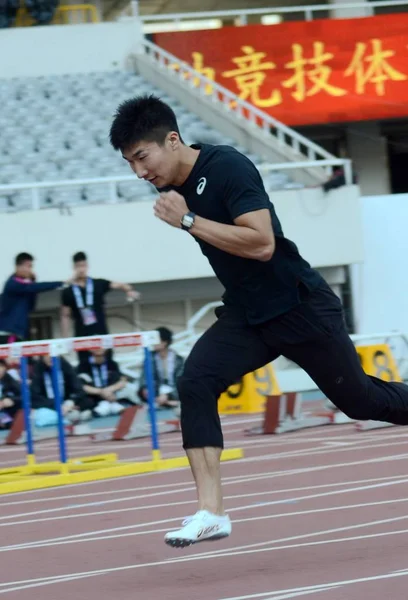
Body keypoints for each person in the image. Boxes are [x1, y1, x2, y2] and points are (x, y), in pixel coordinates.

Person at [109, 94, 408, 549]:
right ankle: (211, 512)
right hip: (248, 315)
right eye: (130, 162)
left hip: (299, 308)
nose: (139, 172)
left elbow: (262, 243)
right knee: (196, 381)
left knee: (362, 401)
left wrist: (189, 220)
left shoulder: (227, 167)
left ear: (172, 140)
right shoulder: (171, 187)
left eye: (141, 158)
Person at [60, 251, 140, 367]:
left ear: (87, 266)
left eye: (83, 266)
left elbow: (120, 285)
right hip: (82, 333)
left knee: (108, 363)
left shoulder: (98, 284)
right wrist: (65, 339)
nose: (81, 269)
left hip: (101, 331)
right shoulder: (68, 291)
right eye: (78, 266)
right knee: (84, 364)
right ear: (74, 268)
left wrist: (129, 290)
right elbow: (65, 315)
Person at [0, 253, 65, 344]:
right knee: (13, 358)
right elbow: (35, 287)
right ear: (19, 266)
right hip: (9, 333)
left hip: (20, 333)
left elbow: (31, 306)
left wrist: (33, 281)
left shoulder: (25, 286)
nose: (30, 270)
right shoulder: (12, 284)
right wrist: (60, 283)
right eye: (29, 266)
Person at [31, 355, 93, 423]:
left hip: (67, 402)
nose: (50, 357)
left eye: (52, 354)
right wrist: (56, 405)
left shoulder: (65, 366)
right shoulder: (38, 369)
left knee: (88, 401)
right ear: (42, 357)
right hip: (49, 405)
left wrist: (70, 402)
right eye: (47, 354)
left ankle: (72, 413)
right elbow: (35, 396)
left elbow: (78, 389)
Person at [138, 326, 184, 410]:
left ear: (164, 342)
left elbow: (182, 382)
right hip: (156, 393)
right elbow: (144, 377)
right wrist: (144, 388)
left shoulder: (179, 360)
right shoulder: (149, 358)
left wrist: (168, 395)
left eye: (155, 340)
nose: (153, 343)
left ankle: (170, 402)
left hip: (174, 393)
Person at [77, 349, 132, 417]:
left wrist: (109, 390)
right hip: (94, 396)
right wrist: (101, 392)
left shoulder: (111, 363)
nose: (99, 348)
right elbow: (81, 385)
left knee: (130, 388)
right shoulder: (83, 365)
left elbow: (122, 380)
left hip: (112, 394)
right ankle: (107, 407)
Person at [0, 359, 21, 428]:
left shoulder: (8, 379)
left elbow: (22, 396)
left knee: (8, 423)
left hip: (4, 412)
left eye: (1, 366)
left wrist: (11, 400)